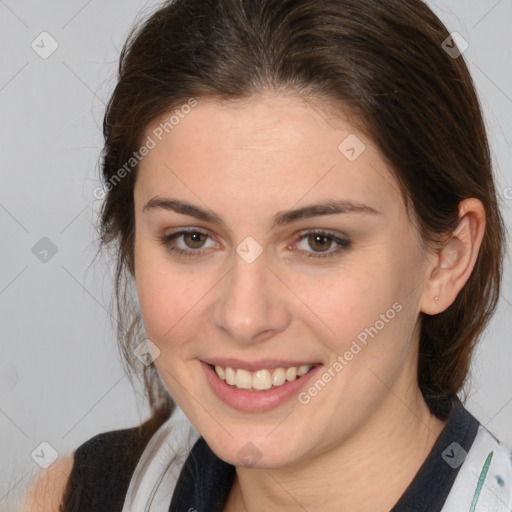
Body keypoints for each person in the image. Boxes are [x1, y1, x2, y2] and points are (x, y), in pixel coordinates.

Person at [20, 0, 511, 511]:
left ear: (445, 259)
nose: (244, 317)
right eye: (191, 238)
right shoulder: (79, 495)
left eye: (319, 241)